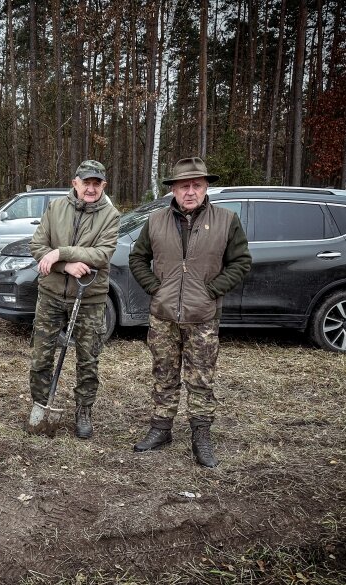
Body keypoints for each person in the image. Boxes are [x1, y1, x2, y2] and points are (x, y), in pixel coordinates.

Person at [128, 157, 251, 467]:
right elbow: (137, 259)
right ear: (174, 190)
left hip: (203, 317)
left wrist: (211, 290)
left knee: (201, 379)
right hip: (163, 315)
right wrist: (155, 288)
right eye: (184, 186)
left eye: (197, 185)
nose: (191, 191)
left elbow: (241, 262)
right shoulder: (155, 221)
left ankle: (201, 435)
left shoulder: (226, 220)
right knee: (164, 375)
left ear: (206, 187)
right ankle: (160, 429)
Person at [29, 160, 120, 439]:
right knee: (41, 356)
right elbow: (37, 247)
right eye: (86, 182)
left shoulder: (111, 215)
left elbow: (102, 255)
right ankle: (40, 405)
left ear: (103, 185)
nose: (91, 188)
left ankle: (83, 410)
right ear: (75, 183)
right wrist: (64, 265)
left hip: (90, 297)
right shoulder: (56, 208)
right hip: (52, 294)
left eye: (97, 183)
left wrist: (61, 252)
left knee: (88, 358)